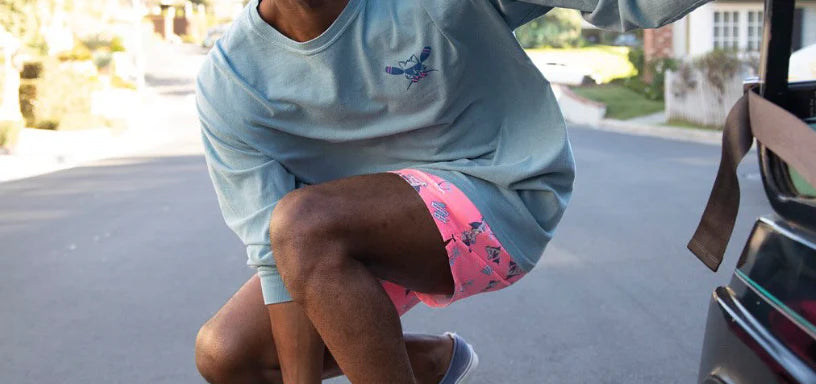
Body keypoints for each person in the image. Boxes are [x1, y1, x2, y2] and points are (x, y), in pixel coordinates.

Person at [193, 0, 708, 382]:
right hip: (346, 237)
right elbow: (272, 256)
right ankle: (427, 363)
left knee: (305, 224)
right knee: (227, 353)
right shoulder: (232, 81)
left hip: (499, 196)